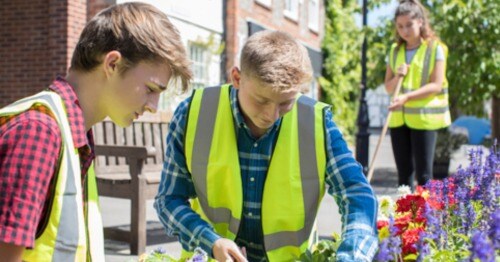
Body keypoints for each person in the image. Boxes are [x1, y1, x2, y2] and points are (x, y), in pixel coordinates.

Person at [155, 30, 378, 262]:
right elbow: (169, 199)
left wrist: (352, 256)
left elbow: (357, 193)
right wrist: (210, 241)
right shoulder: (195, 113)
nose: (272, 115)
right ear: (237, 78)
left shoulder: (318, 123)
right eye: (261, 100)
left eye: (285, 103)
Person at [0, 3, 192, 262]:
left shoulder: (75, 134)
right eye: (150, 89)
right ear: (112, 64)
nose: (153, 106)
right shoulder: (40, 132)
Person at [384, 0, 451, 188]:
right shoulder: (395, 51)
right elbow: (388, 88)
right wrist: (398, 76)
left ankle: (427, 217)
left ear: (420, 22)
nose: (404, 30)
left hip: (424, 119)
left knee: (424, 176)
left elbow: (436, 85)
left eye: (409, 25)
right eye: (400, 26)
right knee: (404, 177)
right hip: (398, 119)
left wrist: (407, 98)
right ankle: (405, 217)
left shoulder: (435, 48)